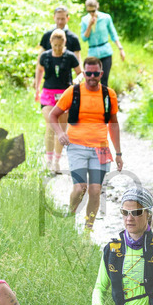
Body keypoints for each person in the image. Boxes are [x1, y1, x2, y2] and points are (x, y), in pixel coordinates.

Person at [48, 56, 123, 231]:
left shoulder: (109, 95)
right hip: (76, 146)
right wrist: (60, 133)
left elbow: (113, 124)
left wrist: (118, 153)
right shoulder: (73, 92)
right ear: (83, 73)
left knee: (95, 190)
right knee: (80, 188)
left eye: (95, 74)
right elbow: (53, 115)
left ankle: (88, 229)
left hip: (101, 148)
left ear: (101, 73)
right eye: (88, 73)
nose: (92, 77)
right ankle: (70, 218)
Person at [35, 29, 82, 173]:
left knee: (61, 129)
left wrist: (77, 81)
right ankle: (48, 161)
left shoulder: (70, 57)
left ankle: (56, 161)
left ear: (64, 43)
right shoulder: (45, 56)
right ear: (50, 43)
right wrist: (37, 88)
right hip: (48, 94)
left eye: (60, 46)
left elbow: (80, 73)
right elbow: (39, 70)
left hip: (65, 95)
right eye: (55, 45)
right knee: (51, 124)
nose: (57, 48)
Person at [80, 0, 125, 88]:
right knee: (92, 80)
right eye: (89, 11)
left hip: (105, 51)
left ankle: (105, 96)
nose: (91, 13)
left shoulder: (106, 18)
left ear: (97, 7)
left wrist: (120, 48)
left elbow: (113, 34)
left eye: (93, 11)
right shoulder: (84, 20)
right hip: (93, 53)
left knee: (104, 79)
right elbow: (84, 38)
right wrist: (89, 25)